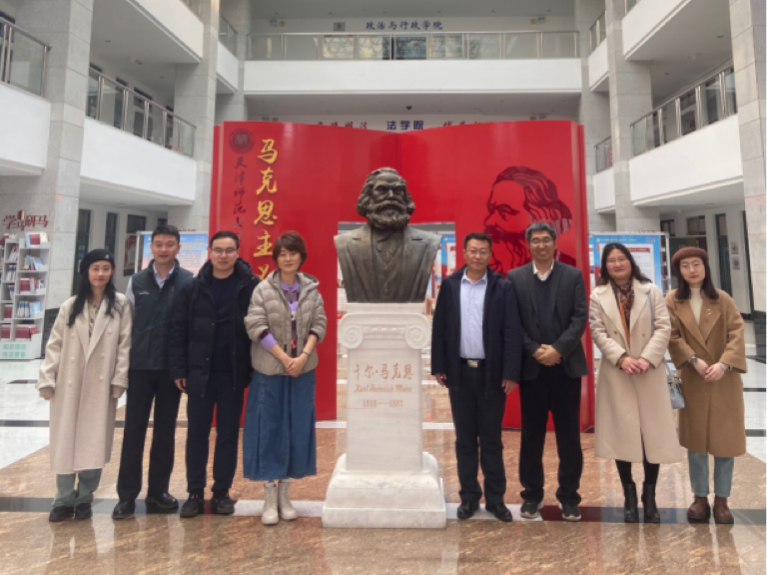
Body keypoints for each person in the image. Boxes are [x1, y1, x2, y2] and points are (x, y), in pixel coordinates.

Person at [431, 232, 523, 522]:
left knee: (492, 439)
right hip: (459, 373)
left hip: (491, 375)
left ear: (490, 254)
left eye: (483, 251)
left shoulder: (502, 287)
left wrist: (510, 372)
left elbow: (512, 332)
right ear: (464, 253)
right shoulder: (450, 285)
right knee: (465, 440)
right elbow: (440, 327)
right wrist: (439, 365)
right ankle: (469, 497)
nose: (478, 256)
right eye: (473, 250)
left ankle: (495, 499)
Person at [168, 231, 259, 518]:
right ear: (209, 251)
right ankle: (195, 492)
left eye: (229, 250)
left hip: (233, 373)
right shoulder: (193, 287)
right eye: (218, 250)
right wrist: (179, 369)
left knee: (228, 433)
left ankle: (221, 491)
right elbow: (178, 330)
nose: (223, 255)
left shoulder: (251, 286)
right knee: (197, 433)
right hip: (199, 373)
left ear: (237, 252)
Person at [36, 249, 131, 522]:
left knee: (93, 442)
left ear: (112, 272)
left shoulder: (120, 304)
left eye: (105, 268)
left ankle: (85, 498)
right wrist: (47, 378)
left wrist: (119, 379)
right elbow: (54, 345)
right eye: (95, 268)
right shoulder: (71, 305)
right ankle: (63, 499)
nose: (100, 273)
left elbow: (124, 345)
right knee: (65, 441)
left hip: (100, 386)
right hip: (69, 382)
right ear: (86, 272)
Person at [589, 243, 680, 523]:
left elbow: (664, 327)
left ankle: (649, 496)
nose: (617, 264)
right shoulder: (598, 295)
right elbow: (597, 331)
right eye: (611, 260)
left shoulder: (651, 291)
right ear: (605, 266)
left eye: (622, 259)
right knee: (623, 434)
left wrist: (646, 358)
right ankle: (629, 494)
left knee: (651, 435)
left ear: (630, 262)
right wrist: (622, 358)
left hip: (648, 372)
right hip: (618, 373)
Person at [243, 231, 327, 526]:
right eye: (282, 254)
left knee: (297, 427)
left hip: (302, 370)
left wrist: (302, 356)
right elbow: (256, 325)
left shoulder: (311, 289)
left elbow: (319, 323)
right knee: (268, 428)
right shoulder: (263, 289)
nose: (288, 258)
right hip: (270, 370)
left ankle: (285, 496)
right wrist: (284, 358)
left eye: (293, 253)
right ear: (276, 258)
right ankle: (269, 496)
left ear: (301, 256)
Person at [507, 222, 588, 521]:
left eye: (546, 239)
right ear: (528, 245)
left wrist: (558, 350)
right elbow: (511, 320)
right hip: (532, 370)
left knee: (569, 438)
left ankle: (569, 497)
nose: (541, 245)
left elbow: (580, 317)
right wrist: (534, 350)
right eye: (535, 240)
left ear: (555, 243)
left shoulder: (572, 275)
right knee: (531, 437)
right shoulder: (515, 278)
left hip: (565, 368)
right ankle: (532, 496)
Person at [112, 225, 193, 519]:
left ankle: (158, 492)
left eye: (169, 244)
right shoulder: (137, 281)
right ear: (151, 248)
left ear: (178, 247)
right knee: (133, 432)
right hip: (140, 367)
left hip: (171, 370)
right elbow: (126, 325)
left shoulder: (188, 281)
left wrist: (184, 367)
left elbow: (189, 327)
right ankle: (126, 497)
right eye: (158, 244)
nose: (163, 249)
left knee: (165, 432)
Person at [666, 247, 747, 524]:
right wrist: (693, 359)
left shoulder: (722, 299)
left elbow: (737, 333)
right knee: (696, 442)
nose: (692, 270)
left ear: (705, 267)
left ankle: (722, 500)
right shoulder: (672, 301)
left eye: (696, 264)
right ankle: (699, 497)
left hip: (724, 379)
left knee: (725, 442)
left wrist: (724, 364)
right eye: (685, 265)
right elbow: (672, 336)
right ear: (679, 271)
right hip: (693, 378)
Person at [334, 167, 441, 303]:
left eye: (397, 190)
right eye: (382, 190)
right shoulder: (345, 243)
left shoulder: (429, 242)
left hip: (410, 315)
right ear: (369, 196)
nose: (391, 196)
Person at [483, 166, 576, 274]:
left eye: (504, 212)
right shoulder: (486, 272)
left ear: (538, 218)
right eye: (491, 209)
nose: (489, 222)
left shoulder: (570, 271)